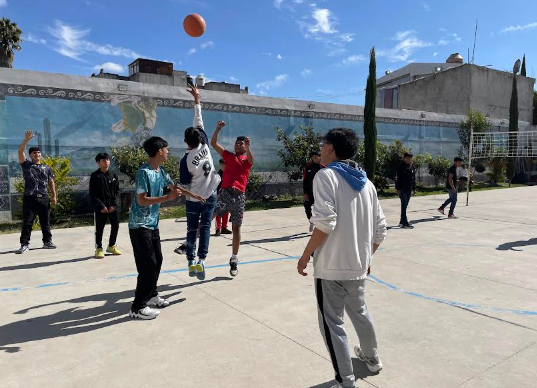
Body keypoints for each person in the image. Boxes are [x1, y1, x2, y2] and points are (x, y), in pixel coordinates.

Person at [297, 128, 387, 388]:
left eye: (323, 145)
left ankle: (345, 381)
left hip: (331, 268)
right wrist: (366, 257)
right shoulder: (367, 183)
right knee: (359, 312)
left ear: (331, 148)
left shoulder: (326, 177)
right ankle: (373, 359)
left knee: (332, 324)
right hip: (358, 266)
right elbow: (381, 229)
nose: (320, 149)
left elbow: (325, 222)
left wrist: (305, 256)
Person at [128, 136, 201, 320]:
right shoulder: (143, 172)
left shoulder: (160, 171)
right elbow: (141, 200)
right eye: (166, 149)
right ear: (159, 151)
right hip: (139, 225)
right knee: (147, 265)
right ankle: (137, 307)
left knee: (157, 260)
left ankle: (151, 295)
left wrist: (193, 194)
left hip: (152, 224)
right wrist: (167, 199)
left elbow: (173, 186)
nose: (168, 152)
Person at [179, 85, 221, 281]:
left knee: (191, 229)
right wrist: (197, 100)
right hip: (210, 194)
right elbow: (199, 121)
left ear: (185, 141)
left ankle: (190, 261)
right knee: (205, 228)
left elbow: (185, 186)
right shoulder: (204, 144)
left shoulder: (185, 161)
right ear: (199, 137)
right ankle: (202, 260)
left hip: (194, 199)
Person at [211, 121, 254, 277]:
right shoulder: (228, 156)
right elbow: (213, 143)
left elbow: (250, 159)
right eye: (236, 143)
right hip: (226, 193)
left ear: (245, 146)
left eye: (241, 144)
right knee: (211, 215)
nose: (237, 145)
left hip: (239, 197)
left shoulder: (246, 160)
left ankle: (234, 259)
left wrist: (248, 148)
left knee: (236, 228)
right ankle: (189, 242)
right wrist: (218, 129)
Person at [16, 130, 57, 254]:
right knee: (28, 222)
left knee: (45, 222)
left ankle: (47, 242)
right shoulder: (26, 165)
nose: (37, 154)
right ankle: (24, 244)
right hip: (30, 198)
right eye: (34, 153)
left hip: (44, 198)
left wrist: (54, 196)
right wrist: (26, 140)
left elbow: (51, 182)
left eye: (39, 152)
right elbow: (20, 152)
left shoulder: (47, 168)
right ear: (30, 155)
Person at [89, 152, 122, 259]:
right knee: (99, 229)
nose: (106, 162)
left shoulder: (113, 175)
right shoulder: (95, 176)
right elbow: (92, 194)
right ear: (98, 162)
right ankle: (99, 248)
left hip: (113, 206)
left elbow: (117, 191)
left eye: (107, 160)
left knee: (115, 226)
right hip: (101, 208)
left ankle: (111, 246)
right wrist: (101, 206)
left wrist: (114, 205)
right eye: (103, 160)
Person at [395, 152, 416, 229]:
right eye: (406, 158)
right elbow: (397, 179)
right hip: (402, 189)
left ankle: (401, 221)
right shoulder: (400, 167)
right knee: (404, 206)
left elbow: (413, 179)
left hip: (409, 189)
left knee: (405, 206)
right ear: (404, 158)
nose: (408, 160)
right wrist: (397, 189)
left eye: (409, 158)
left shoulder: (412, 166)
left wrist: (414, 189)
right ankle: (405, 223)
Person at [303, 151, 323, 232]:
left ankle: (320, 226)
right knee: (307, 206)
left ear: (319, 157)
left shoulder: (323, 168)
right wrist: (305, 193)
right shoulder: (307, 168)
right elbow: (305, 181)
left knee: (320, 210)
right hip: (310, 192)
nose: (314, 158)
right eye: (313, 157)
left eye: (316, 156)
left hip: (321, 193)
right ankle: (311, 221)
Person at [215, 158, 232, 236]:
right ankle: (218, 228)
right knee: (218, 212)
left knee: (226, 211)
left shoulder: (229, 173)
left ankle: (224, 227)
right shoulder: (218, 174)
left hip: (227, 194)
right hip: (219, 195)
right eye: (221, 164)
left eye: (224, 164)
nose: (223, 166)